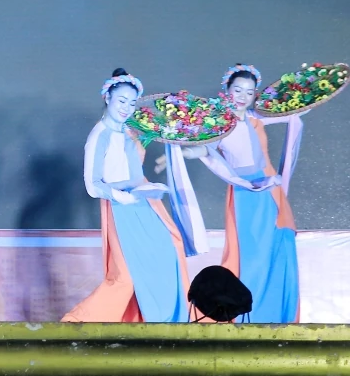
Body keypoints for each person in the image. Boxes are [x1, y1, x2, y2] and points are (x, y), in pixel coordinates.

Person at [157, 64, 303, 323]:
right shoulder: (221, 124)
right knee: (252, 257)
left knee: (280, 250)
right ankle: (252, 317)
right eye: (238, 90)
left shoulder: (255, 118)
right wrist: (183, 153)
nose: (243, 97)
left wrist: (306, 97)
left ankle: (280, 319)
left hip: (271, 193)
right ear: (226, 90)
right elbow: (206, 148)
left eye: (249, 92)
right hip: (246, 194)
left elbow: (290, 113)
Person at [62, 69, 190, 323]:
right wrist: (123, 197)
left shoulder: (131, 131)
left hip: (146, 202)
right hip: (121, 208)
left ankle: (166, 322)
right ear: (107, 97)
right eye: (121, 101)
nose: (127, 108)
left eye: (132, 103)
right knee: (126, 277)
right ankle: (78, 322)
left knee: (171, 250)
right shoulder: (99, 136)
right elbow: (92, 185)